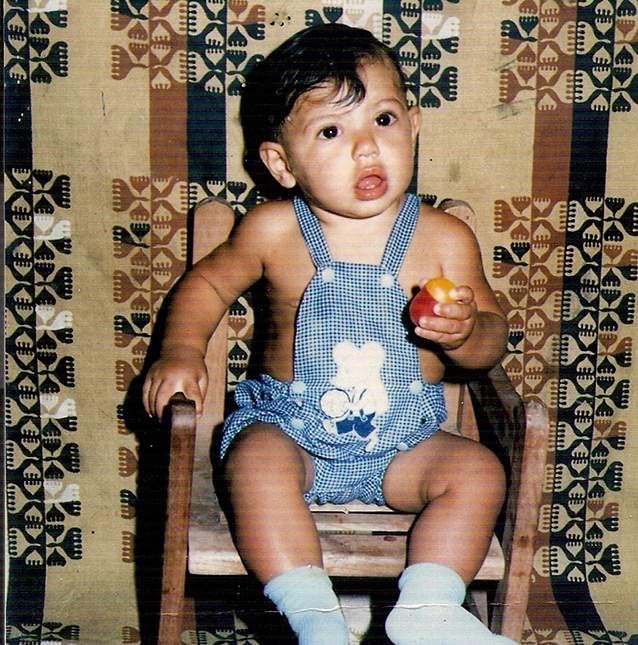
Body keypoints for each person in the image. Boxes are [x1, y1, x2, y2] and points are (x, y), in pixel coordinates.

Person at [143, 23, 514, 645]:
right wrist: (181, 350)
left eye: (385, 120)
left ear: (415, 124)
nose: (366, 148)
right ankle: (316, 617)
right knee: (254, 462)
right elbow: (206, 286)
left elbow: (491, 344)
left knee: (478, 473)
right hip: (295, 433)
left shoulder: (444, 237)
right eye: (332, 132)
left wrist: (465, 332)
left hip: (406, 442)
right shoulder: (273, 231)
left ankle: (428, 608)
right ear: (281, 163)